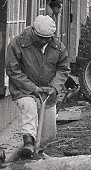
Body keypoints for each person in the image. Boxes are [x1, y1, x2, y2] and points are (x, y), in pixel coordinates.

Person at [6, 15, 70, 159]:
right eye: (40, 37)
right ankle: (28, 143)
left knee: (49, 133)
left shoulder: (57, 46)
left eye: (46, 38)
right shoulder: (17, 44)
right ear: (33, 31)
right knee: (30, 108)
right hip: (24, 90)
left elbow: (63, 69)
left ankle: (35, 152)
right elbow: (13, 70)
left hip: (48, 92)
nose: (43, 41)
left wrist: (54, 87)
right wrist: (32, 88)